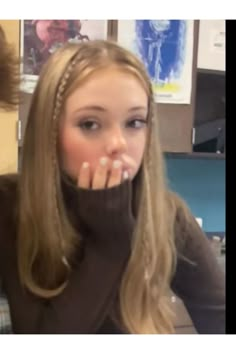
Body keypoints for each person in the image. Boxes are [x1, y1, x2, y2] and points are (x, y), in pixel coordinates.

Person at [0, 39, 225, 334]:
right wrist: (109, 244)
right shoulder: (11, 206)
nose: (119, 144)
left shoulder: (165, 214)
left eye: (134, 122)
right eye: (90, 124)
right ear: (49, 133)